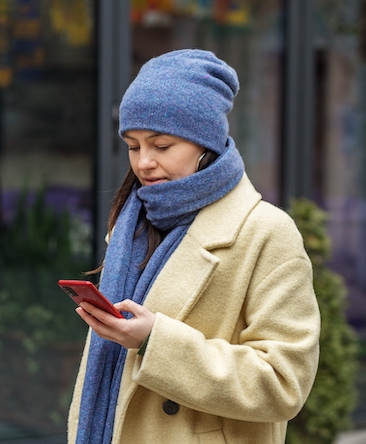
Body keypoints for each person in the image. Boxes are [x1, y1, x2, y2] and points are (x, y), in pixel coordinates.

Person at [67, 49, 320, 444]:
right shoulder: (132, 222)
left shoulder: (266, 231)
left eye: (161, 145)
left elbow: (283, 383)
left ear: (206, 143)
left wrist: (155, 341)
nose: (144, 163)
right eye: (133, 146)